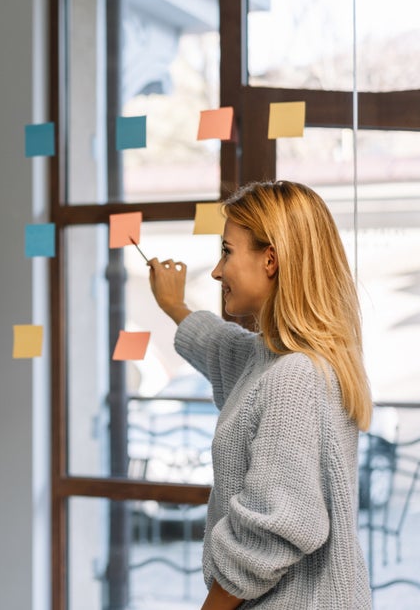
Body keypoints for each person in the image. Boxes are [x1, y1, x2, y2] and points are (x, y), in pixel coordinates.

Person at [147, 180, 372, 609]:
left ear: (270, 259)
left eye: (227, 252)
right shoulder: (274, 359)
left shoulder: (293, 378)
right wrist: (174, 305)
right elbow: (219, 346)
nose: (216, 271)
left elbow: (272, 531)